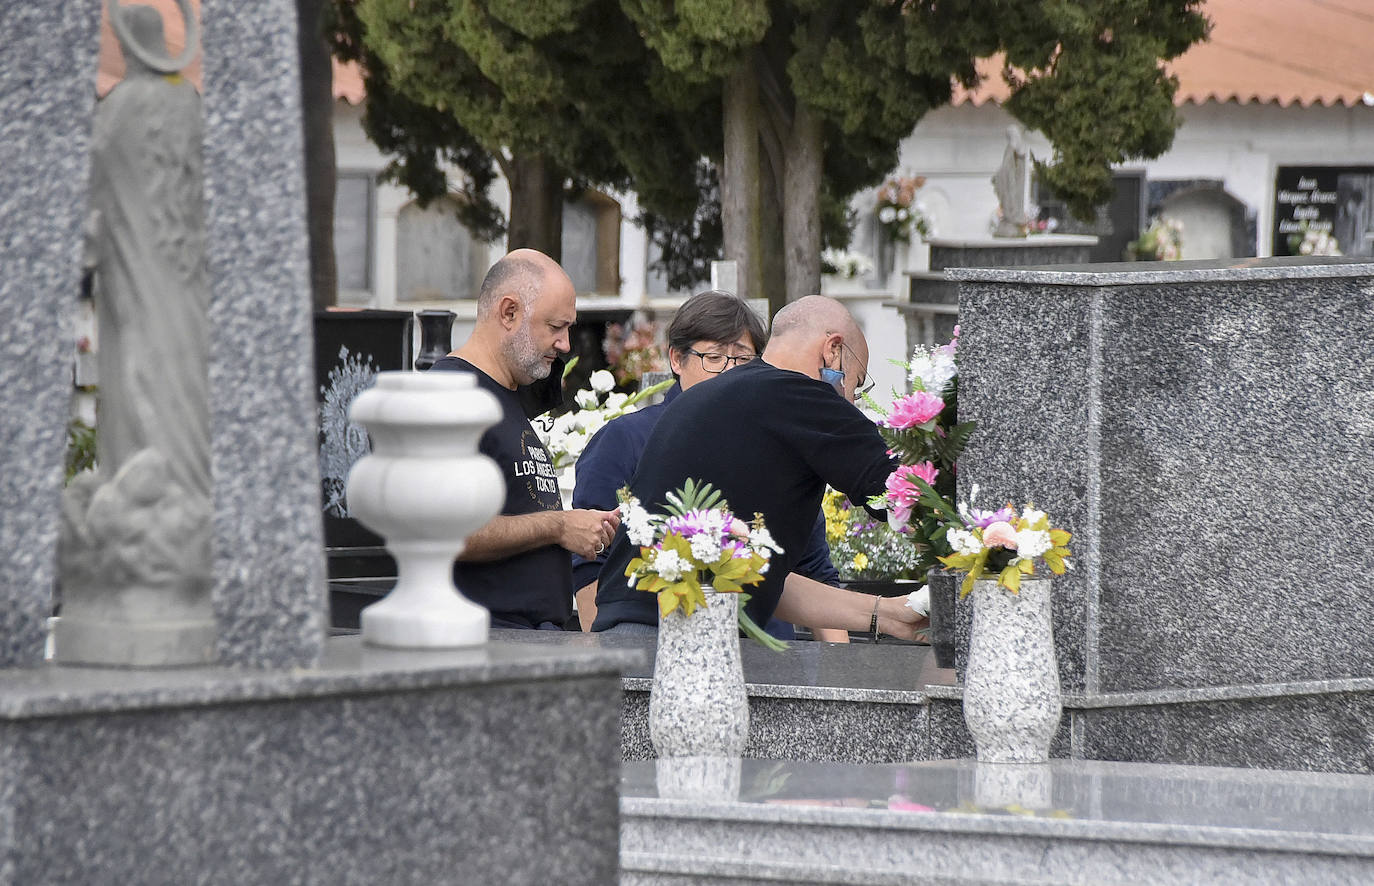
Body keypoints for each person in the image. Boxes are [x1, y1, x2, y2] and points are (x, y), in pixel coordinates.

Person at [591, 295, 926, 640]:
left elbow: (759, 579)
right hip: (679, 637)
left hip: (632, 629)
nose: (851, 401)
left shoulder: (703, 399)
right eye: (855, 383)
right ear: (833, 350)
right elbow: (908, 494)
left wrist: (886, 615)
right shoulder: (803, 395)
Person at [430, 249, 620, 629]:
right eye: (555, 327)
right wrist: (559, 525)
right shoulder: (450, 392)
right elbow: (445, 530)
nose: (566, 344)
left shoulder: (509, 396)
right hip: (487, 641)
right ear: (509, 313)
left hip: (527, 640)